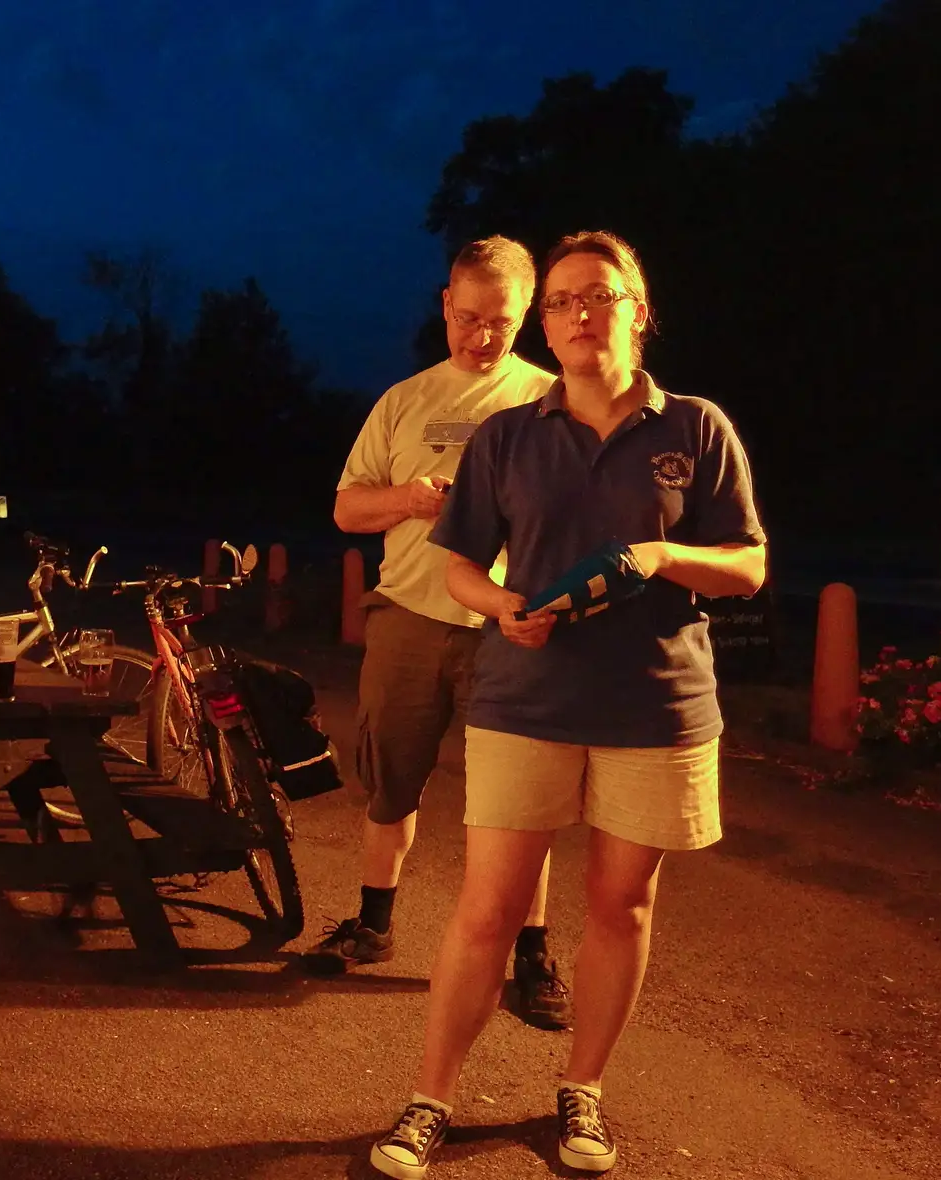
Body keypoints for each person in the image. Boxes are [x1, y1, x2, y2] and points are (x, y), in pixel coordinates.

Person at [369, 231, 766, 1178]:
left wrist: (666, 557)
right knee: (486, 910)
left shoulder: (696, 428)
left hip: (657, 707)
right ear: (544, 322)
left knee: (620, 905)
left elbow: (749, 566)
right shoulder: (511, 434)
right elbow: (461, 566)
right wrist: (504, 605)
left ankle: (581, 1091)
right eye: (560, 302)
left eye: (599, 295)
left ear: (639, 306)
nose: (581, 315)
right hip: (526, 702)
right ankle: (431, 1099)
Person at [307, 235, 571, 1032]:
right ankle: (375, 924)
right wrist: (409, 500)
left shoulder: (553, 400)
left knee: (527, 797)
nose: (481, 336)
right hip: (411, 619)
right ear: (444, 304)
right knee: (390, 781)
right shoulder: (403, 400)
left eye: (500, 321)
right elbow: (347, 510)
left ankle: (534, 958)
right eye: (467, 316)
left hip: (511, 626)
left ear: (526, 315)